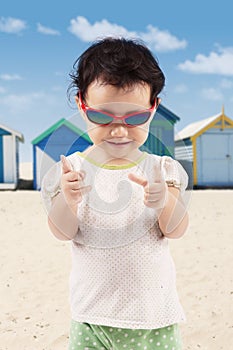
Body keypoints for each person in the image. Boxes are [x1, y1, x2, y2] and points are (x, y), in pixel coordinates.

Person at [41, 37, 189, 350]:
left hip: (153, 320)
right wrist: (67, 201)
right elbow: (62, 232)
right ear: (82, 105)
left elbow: (175, 230)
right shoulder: (71, 170)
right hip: (90, 318)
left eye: (134, 118)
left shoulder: (162, 169)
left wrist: (164, 202)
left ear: (153, 108)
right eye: (102, 116)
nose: (119, 130)